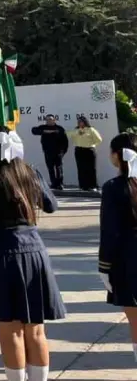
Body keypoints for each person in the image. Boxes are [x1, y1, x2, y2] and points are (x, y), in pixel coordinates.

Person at [0, 127, 63, 381]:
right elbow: (51, 205)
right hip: (33, 252)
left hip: (0, 256)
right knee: (36, 331)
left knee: (10, 331)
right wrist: (33, 173)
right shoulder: (27, 172)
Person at [98, 132, 137, 365]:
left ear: (117, 155)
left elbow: (109, 231)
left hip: (128, 259)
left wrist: (104, 266)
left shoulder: (113, 187)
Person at [32, 115, 69, 190]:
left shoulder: (59, 128)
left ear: (54, 120)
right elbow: (34, 130)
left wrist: (63, 152)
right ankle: (54, 183)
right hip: (48, 152)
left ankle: (60, 184)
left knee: (59, 168)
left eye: (50, 119)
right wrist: (45, 131)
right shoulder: (43, 127)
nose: (49, 121)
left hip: (58, 152)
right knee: (50, 168)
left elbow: (65, 141)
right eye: (47, 120)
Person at [67, 116, 103, 192]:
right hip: (79, 150)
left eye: (81, 121)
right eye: (78, 122)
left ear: (85, 122)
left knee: (91, 168)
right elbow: (69, 135)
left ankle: (93, 186)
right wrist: (77, 132)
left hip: (89, 150)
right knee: (81, 168)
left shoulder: (91, 129)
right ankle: (83, 186)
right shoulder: (76, 130)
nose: (79, 123)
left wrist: (92, 144)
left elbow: (99, 139)